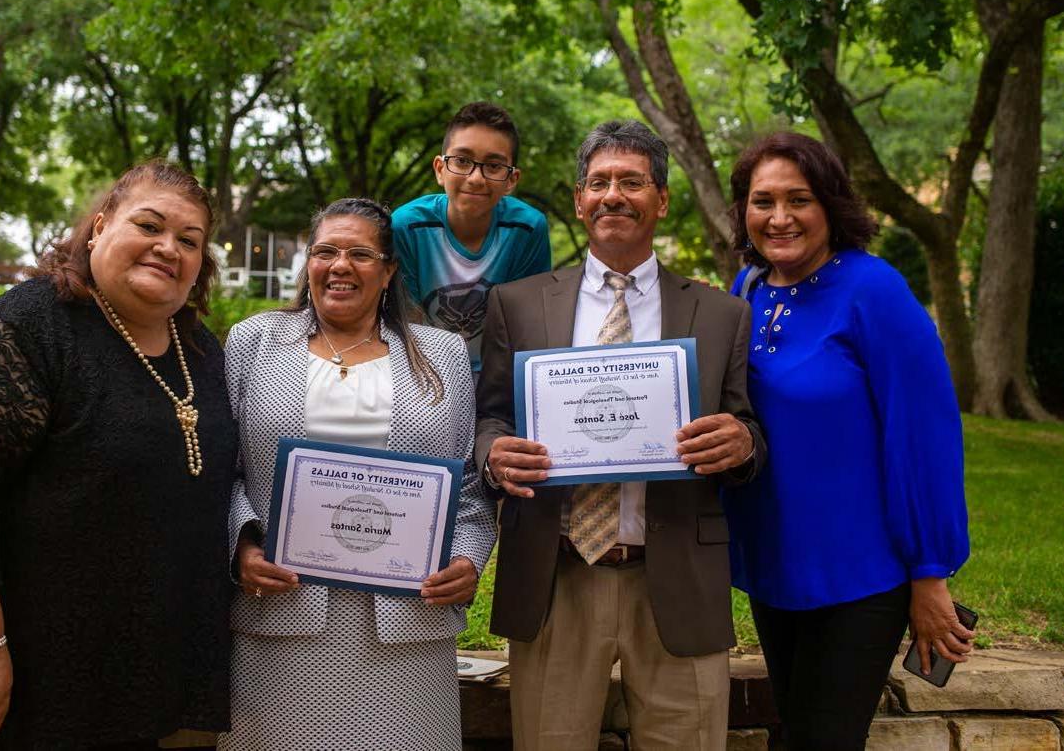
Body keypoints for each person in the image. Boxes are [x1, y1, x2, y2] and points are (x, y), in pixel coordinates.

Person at [0, 160, 238, 749]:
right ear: (100, 227)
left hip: (154, 666)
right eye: (149, 226)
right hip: (37, 669)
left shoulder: (199, 349)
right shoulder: (31, 326)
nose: (167, 248)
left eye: (189, 240)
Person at [475, 120, 765, 750]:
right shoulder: (517, 305)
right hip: (556, 575)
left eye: (631, 182)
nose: (613, 195)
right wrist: (495, 456)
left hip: (677, 576)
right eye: (599, 182)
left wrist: (741, 444)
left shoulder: (721, 315)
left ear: (660, 200)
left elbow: (749, 428)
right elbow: (491, 415)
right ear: (579, 200)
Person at [219, 198, 496, 750]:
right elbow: (222, 472)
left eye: (360, 254)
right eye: (325, 251)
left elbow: (466, 484)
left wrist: (466, 560)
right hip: (279, 619)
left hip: (408, 631)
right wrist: (243, 547)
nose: (339, 265)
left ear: (389, 270)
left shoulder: (442, 354)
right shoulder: (254, 344)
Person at [724, 131, 972, 749]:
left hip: (863, 573)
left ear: (831, 204)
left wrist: (929, 572)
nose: (779, 218)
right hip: (773, 564)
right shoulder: (746, 289)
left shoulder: (874, 291)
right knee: (796, 729)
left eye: (798, 199)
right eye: (762, 201)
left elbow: (924, 435)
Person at [392, 101, 552, 373]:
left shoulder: (527, 229)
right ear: (440, 169)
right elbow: (408, 324)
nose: (476, 178)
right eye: (462, 161)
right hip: (422, 373)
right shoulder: (406, 226)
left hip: (499, 377)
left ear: (512, 180)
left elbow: (524, 325)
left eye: (493, 165)